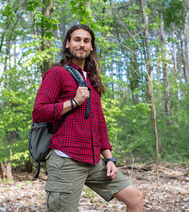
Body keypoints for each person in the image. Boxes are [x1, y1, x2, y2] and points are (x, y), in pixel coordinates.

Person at [32, 24, 143, 212]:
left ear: (91, 47)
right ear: (67, 44)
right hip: (65, 159)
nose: (81, 44)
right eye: (77, 40)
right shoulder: (57, 73)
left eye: (86, 41)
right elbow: (39, 112)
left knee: (135, 198)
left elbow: (99, 124)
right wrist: (74, 102)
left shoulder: (92, 80)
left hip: (92, 160)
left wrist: (109, 159)